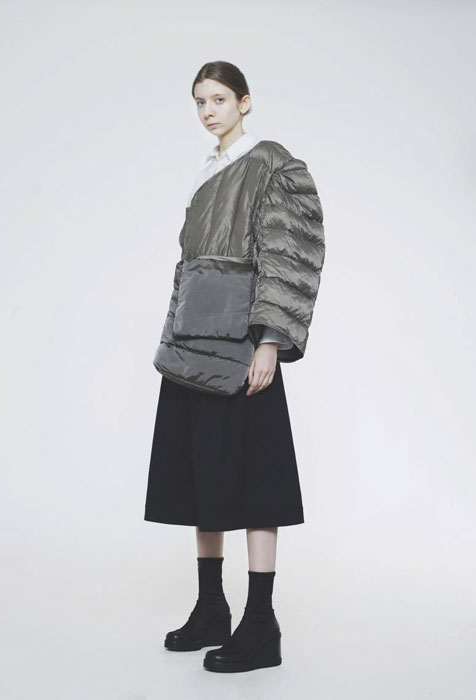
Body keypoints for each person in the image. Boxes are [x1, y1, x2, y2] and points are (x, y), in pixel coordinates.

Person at [144, 61, 326, 673]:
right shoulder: (207, 170)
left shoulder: (271, 163)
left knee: (255, 482)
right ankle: (210, 608)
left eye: (219, 99)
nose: (208, 111)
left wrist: (270, 341)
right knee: (203, 478)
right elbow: (188, 265)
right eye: (200, 101)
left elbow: (289, 251)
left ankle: (260, 624)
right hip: (192, 346)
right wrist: (172, 335)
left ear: (245, 102)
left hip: (243, 346)